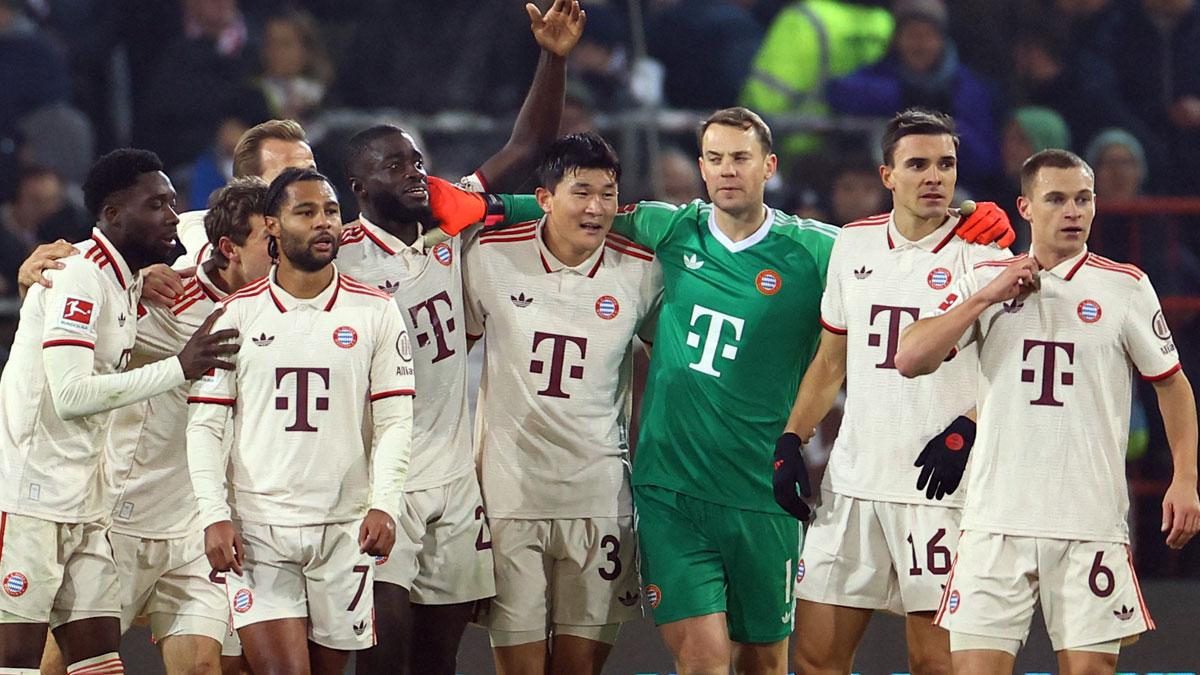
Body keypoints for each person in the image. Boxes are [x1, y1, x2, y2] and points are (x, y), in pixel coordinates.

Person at [425, 106, 1014, 674]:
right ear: (701, 169)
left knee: (765, 660)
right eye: (714, 158)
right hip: (672, 490)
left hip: (764, 490)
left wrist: (966, 218)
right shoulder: (672, 228)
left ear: (769, 166)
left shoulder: (820, 249)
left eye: (741, 157)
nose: (727, 169)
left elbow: (899, 244)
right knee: (704, 657)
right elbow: (581, 205)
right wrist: (492, 204)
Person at [336, 5, 584, 674]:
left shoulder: (453, 224)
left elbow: (526, 149)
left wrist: (552, 57)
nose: (415, 172)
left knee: (437, 664)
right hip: (376, 485)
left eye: (418, 160)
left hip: (453, 479)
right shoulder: (337, 258)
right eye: (395, 165)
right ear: (359, 187)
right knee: (382, 663)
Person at [894, 149, 1200, 674]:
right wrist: (986, 297)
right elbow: (910, 357)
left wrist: (1185, 478)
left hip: (1089, 521)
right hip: (995, 520)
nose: (1072, 211)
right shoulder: (988, 279)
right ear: (1026, 207)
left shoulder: (1124, 286)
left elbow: (1172, 386)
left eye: (1083, 199)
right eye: (1056, 199)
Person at [777, 109, 1011, 675]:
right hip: (853, 484)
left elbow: (1012, 374)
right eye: (918, 164)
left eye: (946, 164)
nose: (935, 176)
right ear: (888, 176)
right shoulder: (853, 244)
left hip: (940, 492)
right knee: (813, 659)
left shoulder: (986, 256)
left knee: (934, 663)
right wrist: (792, 438)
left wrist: (970, 426)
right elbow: (830, 360)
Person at [0, 148, 235, 674]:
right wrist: (180, 367)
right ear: (113, 214)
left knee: (99, 663)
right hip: (29, 497)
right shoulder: (75, 275)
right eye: (156, 205)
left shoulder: (127, 281)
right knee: (16, 663)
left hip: (86, 502)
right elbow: (71, 394)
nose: (172, 217)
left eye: (173, 203)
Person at [185, 168, 414, 675]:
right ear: (272, 225)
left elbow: (396, 420)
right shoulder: (236, 314)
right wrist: (213, 514)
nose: (324, 223)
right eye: (306, 212)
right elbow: (205, 427)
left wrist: (385, 505)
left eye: (330, 211)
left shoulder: (376, 311)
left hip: (345, 528)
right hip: (259, 531)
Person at [463, 132, 659, 674]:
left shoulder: (640, 270)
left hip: (599, 499)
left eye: (607, 193)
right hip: (509, 500)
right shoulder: (489, 256)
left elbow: (671, 358)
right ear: (545, 198)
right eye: (581, 192)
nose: (596, 208)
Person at [101, 178, 274, 675]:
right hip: (125, 515)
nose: (283, 251)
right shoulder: (163, 294)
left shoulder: (285, 305)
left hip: (202, 523)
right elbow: (80, 296)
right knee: (70, 662)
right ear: (229, 249)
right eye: (270, 242)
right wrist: (37, 272)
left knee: (204, 666)